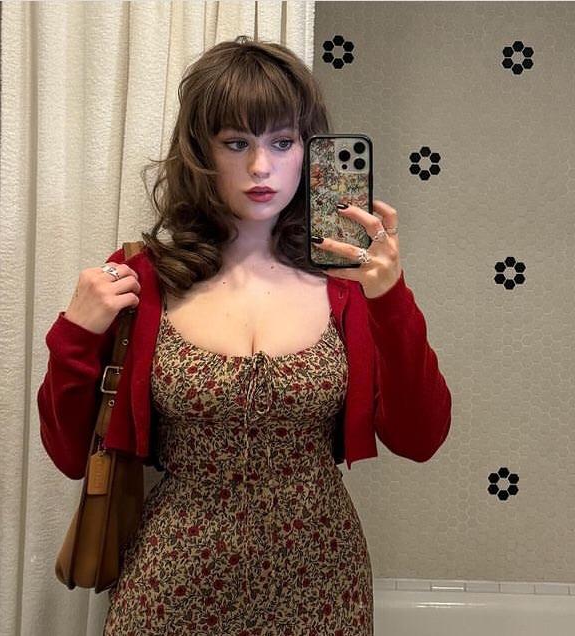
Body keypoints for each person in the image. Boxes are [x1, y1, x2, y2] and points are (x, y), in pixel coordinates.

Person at [37, 36, 452, 635]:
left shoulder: (349, 284)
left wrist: (390, 298)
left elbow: (421, 438)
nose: (261, 167)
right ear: (200, 151)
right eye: (237, 143)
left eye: (282, 142)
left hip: (322, 583)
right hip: (173, 583)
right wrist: (76, 334)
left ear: (310, 151)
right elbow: (67, 454)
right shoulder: (143, 279)